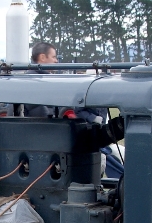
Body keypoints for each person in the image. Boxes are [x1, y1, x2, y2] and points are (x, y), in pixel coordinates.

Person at [25, 42, 123, 180]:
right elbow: (45, 118)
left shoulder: (46, 82)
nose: (56, 61)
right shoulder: (35, 84)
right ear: (42, 57)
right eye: (54, 57)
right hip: (48, 144)